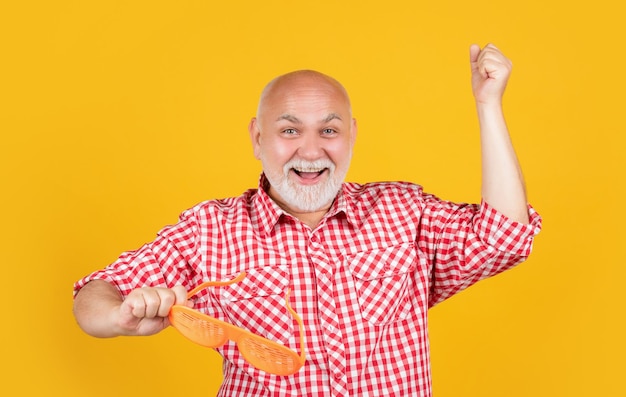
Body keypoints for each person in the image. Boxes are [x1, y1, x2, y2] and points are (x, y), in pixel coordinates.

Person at [73, 43, 542, 396]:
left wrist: (488, 106)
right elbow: (93, 294)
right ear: (258, 138)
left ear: (352, 136)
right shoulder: (208, 230)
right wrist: (119, 316)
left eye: (330, 131)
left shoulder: (404, 212)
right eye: (290, 130)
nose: (312, 150)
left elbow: (504, 238)